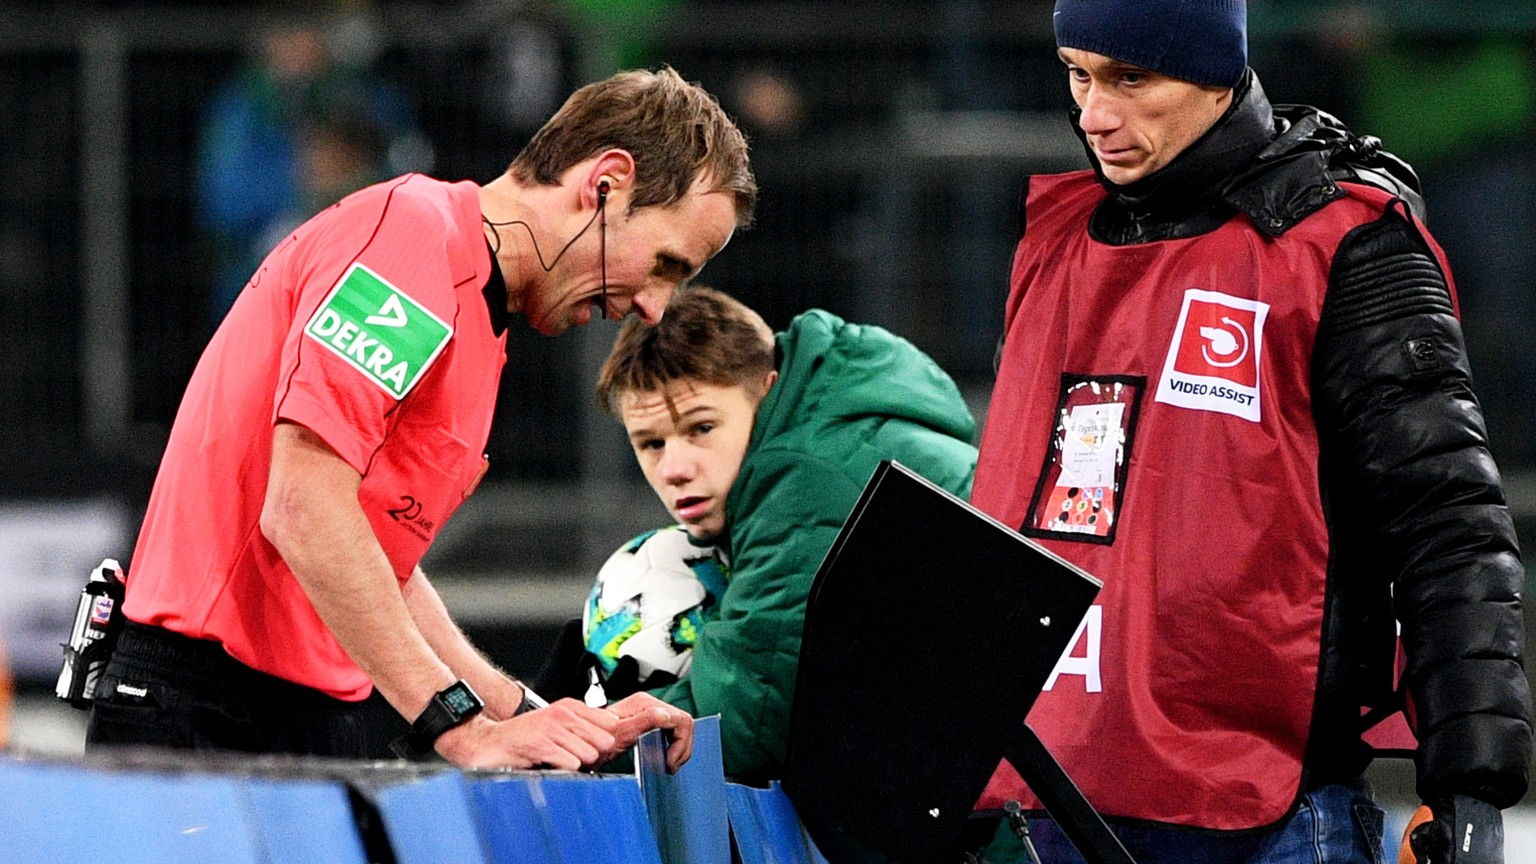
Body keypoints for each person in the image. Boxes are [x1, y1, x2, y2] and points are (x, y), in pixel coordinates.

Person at [967, 2, 1531, 863]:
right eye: (1079, 74)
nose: (1095, 114)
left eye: (1131, 78)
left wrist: (1472, 783)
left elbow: (1447, 522)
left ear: (1217, 74)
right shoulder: (1053, 238)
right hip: (1052, 802)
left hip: (1268, 819)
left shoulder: (1345, 242)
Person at [84, 66, 756, 775]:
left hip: (287, 721)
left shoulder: (474, 306)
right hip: (202, 716)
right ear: (605, 184)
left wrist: (526, 716)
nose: (655, 305)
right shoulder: (412, 243)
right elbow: (305, 506)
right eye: (665, 264)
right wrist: (459, 727)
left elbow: (374, 553)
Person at [542, 286, 977, 782]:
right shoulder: (839, 409)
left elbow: (749, 725)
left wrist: (578, 733)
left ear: (766, 389)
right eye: (651, 443)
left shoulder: (805, 477)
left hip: (1013, 812)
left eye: (701, 429)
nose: (675, 468)